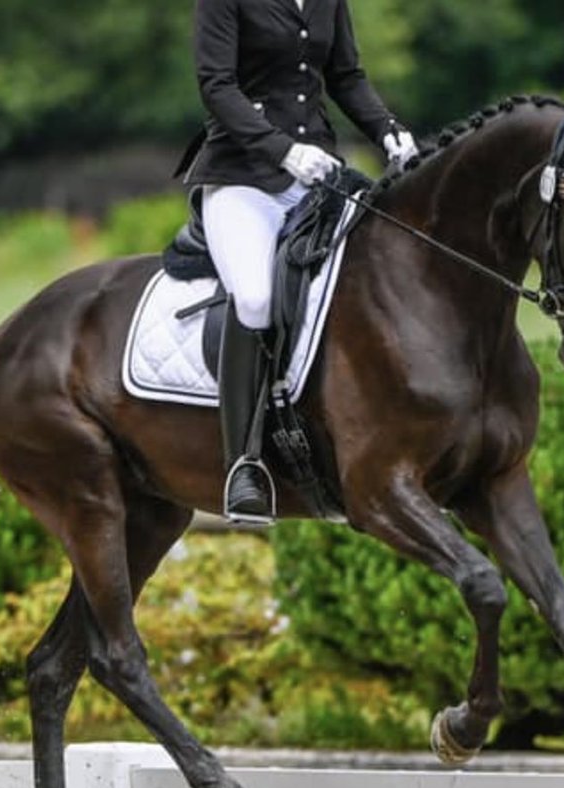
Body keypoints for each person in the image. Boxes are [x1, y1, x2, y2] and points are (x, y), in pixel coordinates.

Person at [175, 0, 417, 524]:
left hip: (318, 175)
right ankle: (244, 462)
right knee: (258, 297)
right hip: (243, 179)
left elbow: (346, 75)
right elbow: (217, 86)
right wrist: (282, 150)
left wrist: (388, 130)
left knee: (366, 283)